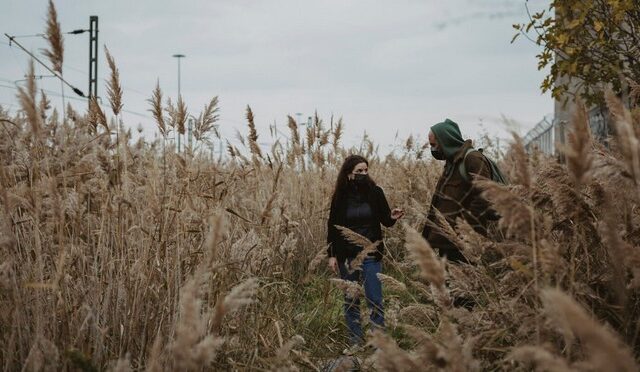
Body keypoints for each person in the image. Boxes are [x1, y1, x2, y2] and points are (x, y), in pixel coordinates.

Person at [326, 155, 404, 349]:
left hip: (371, 252)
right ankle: (355, 341)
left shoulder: (375, 192)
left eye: (365, 170)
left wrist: (392, 217)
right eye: (359, 171)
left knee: (375, 299)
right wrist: (332, 255)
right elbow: (332, 227)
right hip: (348, 255)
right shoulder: (340, 197)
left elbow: (385, 220)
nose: (363, 174)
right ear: (349, 174)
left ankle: (379, 343)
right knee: (351, 299)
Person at [422, 118, 493, 264]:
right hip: (448, 239)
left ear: (445, 141)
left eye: (434, 145)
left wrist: (465, 231)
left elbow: (484, 197)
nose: (433, 149)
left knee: (465, 284)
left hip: (464, 241)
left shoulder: (473, 159)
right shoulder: (452, 162)